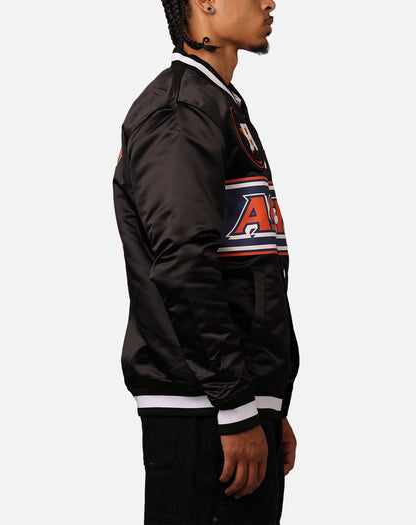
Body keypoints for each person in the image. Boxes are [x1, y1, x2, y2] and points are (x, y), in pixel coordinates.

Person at [112, 1, 300, 523]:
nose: (270, 1)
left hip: (229, 404)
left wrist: (267, 403)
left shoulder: (217, 105)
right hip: (202, 411)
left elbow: (245, 268)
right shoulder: (180, 113)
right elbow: (183, 267)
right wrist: (236, 407)